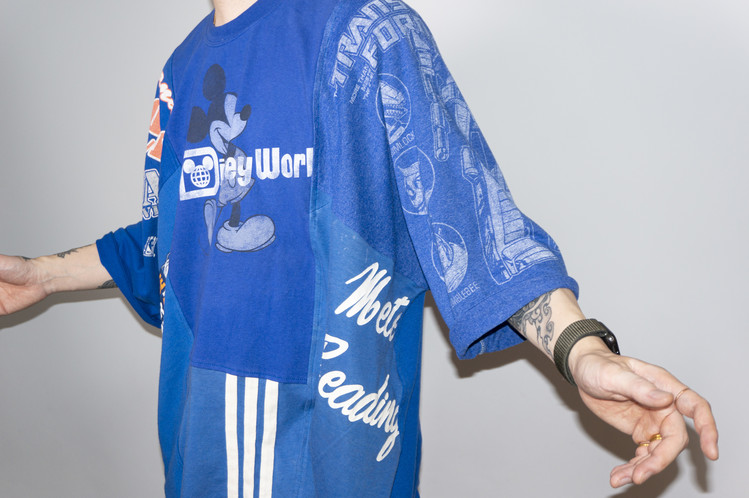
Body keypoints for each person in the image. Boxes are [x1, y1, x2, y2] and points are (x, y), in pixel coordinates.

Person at [0, 0, 718, 496]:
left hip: (324, 456)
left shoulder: (363, 33)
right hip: (195, 452)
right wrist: (44, 275)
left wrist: (581, 351)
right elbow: (175, 242)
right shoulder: (181, 67)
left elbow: (468, 215)